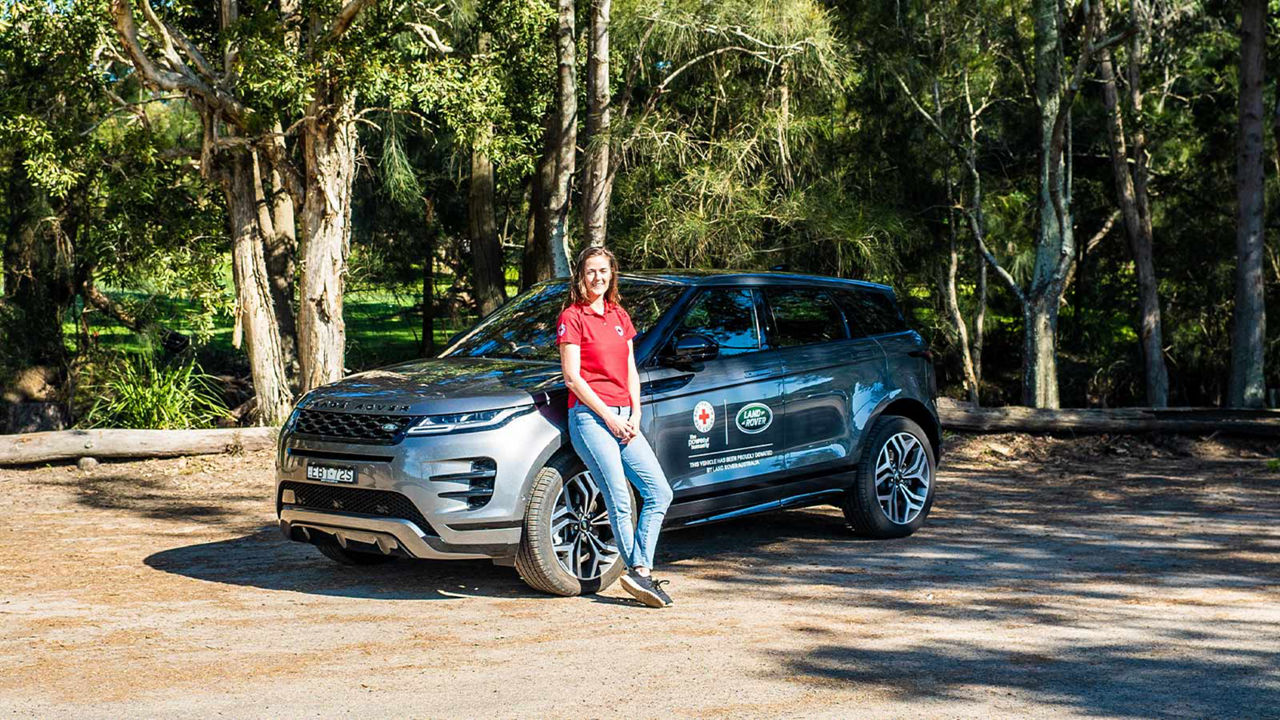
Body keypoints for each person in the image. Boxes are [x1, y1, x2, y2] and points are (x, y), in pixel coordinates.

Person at [557, 246, 675, 608]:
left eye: (604, 272)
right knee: (620, 499)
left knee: (659, 493)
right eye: (591, 272)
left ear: (612, 275)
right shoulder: (572, 317)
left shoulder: (619, 315)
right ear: (581, 276)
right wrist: (609, 416)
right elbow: (572, 378)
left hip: (626, 416)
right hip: (592, 418)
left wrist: (635, 414)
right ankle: (640, 572)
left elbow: (629, 371)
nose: (598, 278)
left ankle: (639, 572)